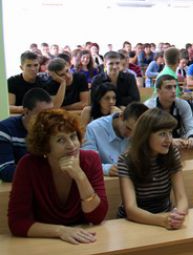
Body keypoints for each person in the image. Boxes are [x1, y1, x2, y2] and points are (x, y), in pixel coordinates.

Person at [7, 109, 108, 243]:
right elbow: (17, 222)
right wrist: (60, 231)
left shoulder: (91, 159)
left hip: (84, 239)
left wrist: (80, 177)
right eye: (61, 140)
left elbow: (97, 217)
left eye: (73, 136)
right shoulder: (28, 165)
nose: (71, 145)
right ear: (45, 145)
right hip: (42, 243)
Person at [116, 108, 188, 229]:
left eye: (170, 133)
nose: (169, 140)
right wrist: (162, 221)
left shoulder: (172, 153)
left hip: (165, 216)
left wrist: (178, 215)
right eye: (162, 134)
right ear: (146, 135)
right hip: (134, 222)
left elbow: (181, 197)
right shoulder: (126, 160)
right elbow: (131, 209)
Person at [0, 88, 54, 182]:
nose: (47, 119)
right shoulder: (5, 129)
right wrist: (45, 171)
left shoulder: (52, 128)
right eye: (41, 114)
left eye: (50, 114)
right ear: (26, 111)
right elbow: (5, 171)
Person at [83, 102, 149, 176]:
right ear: (121, 116)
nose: (130, 135)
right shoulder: (94, 128)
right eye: (128, 128)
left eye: (135, 133)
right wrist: (106, 169)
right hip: (105, 179)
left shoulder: (144, 132)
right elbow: (87, 163)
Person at [145, 75, 193, 150]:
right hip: (155, 147)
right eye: (168, 87)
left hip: (180, 144)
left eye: (175, 87)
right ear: (158, 91)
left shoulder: (183, 104)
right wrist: (170, 141)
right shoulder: (149, 107)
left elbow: (190, 127)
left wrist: (192, 137)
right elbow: (147, 134)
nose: (173, 91)